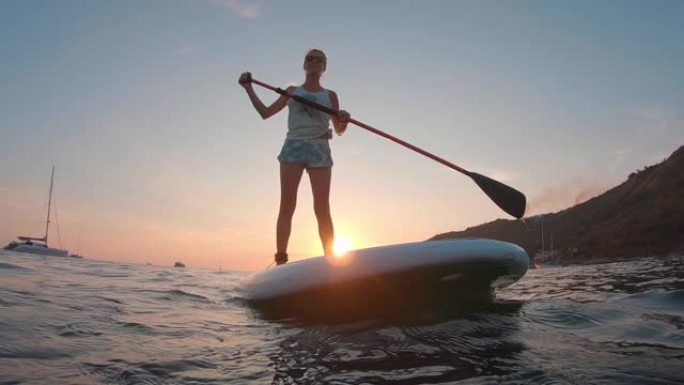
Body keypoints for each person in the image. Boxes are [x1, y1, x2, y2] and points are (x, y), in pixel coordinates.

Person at [239, 49, 350, 265]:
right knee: (287, 204)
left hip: (320, 148)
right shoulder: (291, 91)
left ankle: (331, 261)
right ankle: (281, 260)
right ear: (304, 65)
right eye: (311, 59)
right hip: (293, 148)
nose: (315, 62)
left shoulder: (330, 96)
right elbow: (265, 113)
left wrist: (344, 118)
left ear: (325, 67)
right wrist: (248, 88)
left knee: (322, 207)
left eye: (320, 60)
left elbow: (339, 130)